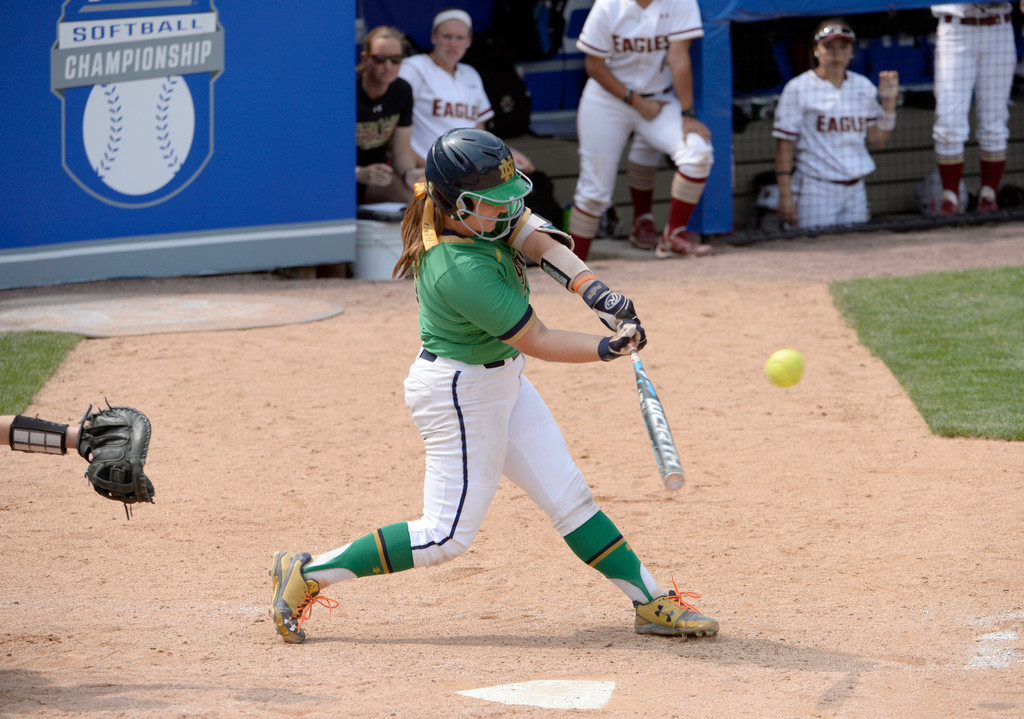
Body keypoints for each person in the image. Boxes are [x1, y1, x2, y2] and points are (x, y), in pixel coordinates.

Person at [268, 128, 719, 644]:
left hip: (501, 380)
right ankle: (305, 573)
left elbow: (532, 235)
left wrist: (596, 292)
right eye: (492, 204)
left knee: (571, 499)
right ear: (457, 205)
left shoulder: (476, 219)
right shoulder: (456, 268)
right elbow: (540, 339)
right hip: (460, 394)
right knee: (445, 535)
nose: (506, 212)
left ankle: (649, 601)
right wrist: (607, 347)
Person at [567, 0, 714, 261]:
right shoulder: (608, 6)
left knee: (698, 152)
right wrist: (636, 102)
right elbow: (594, 66)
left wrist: (688, 114)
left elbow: (679, 57)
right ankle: (571, 265)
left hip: (659, 99)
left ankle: (672, 237)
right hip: (607, 101)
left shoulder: (681, 3)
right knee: (594, 194)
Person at [772, 21, 899, 230]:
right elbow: (784, 146)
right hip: (816, 187)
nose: (836, 54)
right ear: (816, 50)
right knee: (815, 250)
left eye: (843, 48)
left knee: (857, 249)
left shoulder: (862, 86)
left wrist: (889, 103)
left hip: (856, 188)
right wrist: (785, 196)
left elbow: (879, 140)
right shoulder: (798, 88)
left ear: (852, 53)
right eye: (829, 47)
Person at [398, 8, 536, 174]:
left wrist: (507, 152)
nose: (453, 44)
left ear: (469, 41)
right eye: (447, 37)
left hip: (467, 174)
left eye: (460, 38)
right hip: (423, 170)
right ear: (433, 37)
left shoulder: (470, 74)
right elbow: (394, 127)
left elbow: (479, 129)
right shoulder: (413, 68)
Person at [930, 2, 1021, 213]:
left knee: (995, 120)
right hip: (955, 28)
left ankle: (989, 197)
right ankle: (950, 199)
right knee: (949, 121)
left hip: (999, 27)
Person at [356, 26, 422, 205]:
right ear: (365, 59)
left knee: (417, 199)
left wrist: (409, 174)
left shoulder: (402, 90)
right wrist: (357, 173)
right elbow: (325, 151)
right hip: (340, 178)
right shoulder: (347, 89)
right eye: (380, 59)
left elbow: (401, 150)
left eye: (395, 59)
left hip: (378, 177)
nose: (388, 66)